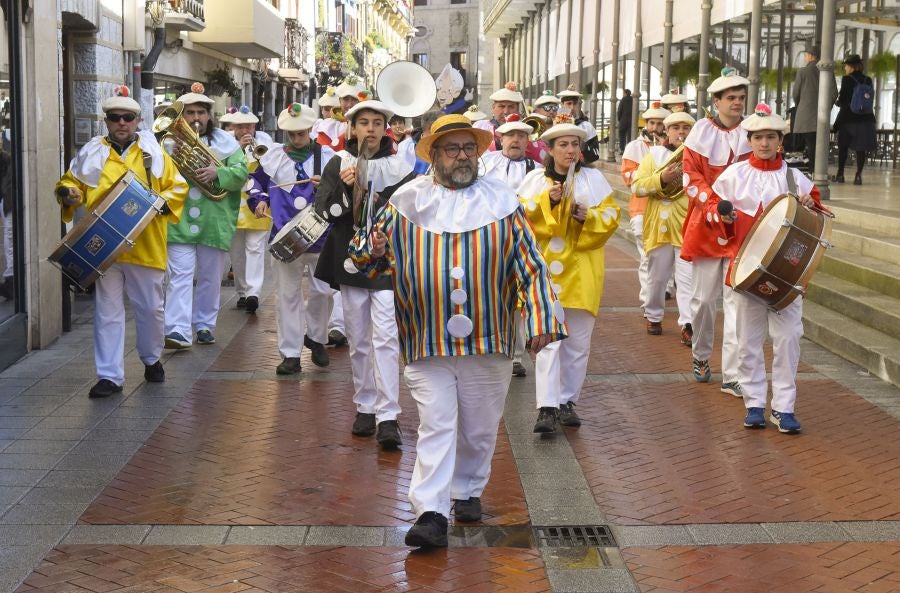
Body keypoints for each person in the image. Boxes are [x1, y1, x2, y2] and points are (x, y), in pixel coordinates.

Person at [349, 113, 566, 548]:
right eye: (453, 149)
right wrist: (369, 248)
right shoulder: (406, 201)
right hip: (426, 337)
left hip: (489, 338)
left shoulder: (503, 202)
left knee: (481, 427)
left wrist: (543, 319)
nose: (463, 156)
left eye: (469, 148)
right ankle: (430, 511)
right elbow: (366, 258)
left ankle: (467, 487)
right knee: (436, 422)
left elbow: (532, 265)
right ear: (436, 156)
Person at [55, 86, 187, 398]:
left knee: (151, 308)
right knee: (108, 310)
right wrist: (68, 193)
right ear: (107, 121)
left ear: (138, 120)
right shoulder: (92, 151)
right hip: (103, 245)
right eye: (115, 118)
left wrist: (159, 202)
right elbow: (71, 182)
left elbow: (177, 186)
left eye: (128, 117)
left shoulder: (153, 152)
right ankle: (109, 376)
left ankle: (152, 359)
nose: (122, 122)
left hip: (146, 242)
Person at [712, 104, 825, 433]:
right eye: (758, 137)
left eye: (770, 137)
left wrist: (810, 204)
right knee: (748, 340)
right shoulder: (733, 176)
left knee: (789, 339)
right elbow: (715, 217)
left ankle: (785, 408)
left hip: (787, 276)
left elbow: (816, 207)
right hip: (746, 272)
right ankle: (755, 404)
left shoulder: (793, 176)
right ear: (750, 140)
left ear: (780, 141)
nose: (764, 143)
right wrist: (725, 219)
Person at [314, 97, 414, 450]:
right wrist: (346, 187)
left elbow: (411, 211)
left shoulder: (401, 165)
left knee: (387, 337)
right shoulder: (338, 162)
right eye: (363, 123)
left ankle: (389, 415)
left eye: (376, 123)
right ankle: (365, 406)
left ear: (384, 128)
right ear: (352, 128)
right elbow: (325, 210)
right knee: (359, 338)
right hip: (350, 262)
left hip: (387, 261)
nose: (370, 129)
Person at [518, 114, 620, 434]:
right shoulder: (535, 182)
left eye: (575, 144)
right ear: (549, 149)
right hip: (545, 270)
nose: (570, 150)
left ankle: (566, 401)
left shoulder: (594, 180)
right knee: (548, 340)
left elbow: (611, 217)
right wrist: (545, 202)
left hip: (583, 269)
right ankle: (546, 407)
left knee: (577, 343)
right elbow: (518, 217)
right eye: (563, 144)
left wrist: (587, 216)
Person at [247, 102, 336, 373]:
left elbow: (344, 188)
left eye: (301, 133)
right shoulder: (272, 156)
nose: (296, 139)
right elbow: (254, 183)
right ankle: (290, 354)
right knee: (287, 296)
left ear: (310, 129)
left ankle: (317, 337)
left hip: (321, 236)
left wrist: (329, 184)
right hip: (284, 235)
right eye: (291, 134)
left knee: (325, 292)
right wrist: (259, 201)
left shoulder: (328, 156)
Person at [680, 68, 751, 396]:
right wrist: (715, 206)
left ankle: (733, 374)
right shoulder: (700, 132)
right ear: (717, 101)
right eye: (731, 98)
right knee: (704, 301)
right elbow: (690, 178)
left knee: (737, 302)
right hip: (707, 227)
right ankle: (700, 354)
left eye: (740, 97)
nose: (737, 103)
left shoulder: (752, 132)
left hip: (740, 230)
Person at [163, 83, 248, 349]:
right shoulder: (168, 143)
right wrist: (173, 161)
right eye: (190, 113)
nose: (196, 118)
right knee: (180, 275)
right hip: (180, 219)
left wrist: (217, 174)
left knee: (211, 276)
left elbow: (241, 174)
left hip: (214, 220)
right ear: (181, 116)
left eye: (201, 112)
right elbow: (156, 176)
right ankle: (177, 329)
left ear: (209, 115)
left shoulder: (226, 143)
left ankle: (204, 325)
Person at [480, 114, 545, 378]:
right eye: (510, 135)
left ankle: (516, 355)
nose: (516, 140)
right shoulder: (486, 163)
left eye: (521, 135)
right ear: (501, 138)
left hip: (521, 238)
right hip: (490, 236)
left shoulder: (538, 169)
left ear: (528, 140)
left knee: (518, 298)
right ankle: (489, 346)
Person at [630, 111, 695, 344]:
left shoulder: (696, 156)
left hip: (687, 225)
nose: (681, 132)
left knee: (688, 279)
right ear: (667, 131)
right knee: (657, 277)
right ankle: (654, 314)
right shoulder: (654, 154)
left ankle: (688, 324)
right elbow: (637, 187)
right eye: (676, 127)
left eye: (686, 128)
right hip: (658, 225)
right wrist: (661, 180)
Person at [621, 103, 671, 314]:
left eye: (660, 124)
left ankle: (664, 290)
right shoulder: (634, 146)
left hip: (668, 210)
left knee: (667, 256)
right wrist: (653, 176)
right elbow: (628, 178)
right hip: (642, 210)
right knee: (647, 256)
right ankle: (647, 298)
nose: (654, 127)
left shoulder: (673, 148)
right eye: (651, 123)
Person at [229, 105, 274, 314]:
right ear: (233, 126)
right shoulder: (226, 142)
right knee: (237, 253)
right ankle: (241, 292)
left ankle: (253, 293)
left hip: (257, 201)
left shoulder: (266, 141)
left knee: (255, 248)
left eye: (248, 125)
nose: (245, 129)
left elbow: (272, 169)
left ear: (255, 125)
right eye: (240, 126)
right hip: (233, 203)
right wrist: (238, 148)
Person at [792, 44, 838, 174]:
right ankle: (820, 171)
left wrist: (801, 106)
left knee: (810, 143)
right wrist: (826, 108)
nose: (805, 58)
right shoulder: (828, 71)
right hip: (822, 117)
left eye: (805, 55)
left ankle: (813, 171)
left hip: (806, 116)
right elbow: (834, 93)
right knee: (821, 145)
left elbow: (796, 93)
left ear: (811, 56)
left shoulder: (803, 72)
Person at [833, 54, 877, 185]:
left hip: (849, 119)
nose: (845, 68)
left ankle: (840, 174)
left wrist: (837, 121)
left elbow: (843, 101)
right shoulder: (867, 80)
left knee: (843, 147)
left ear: (851, 66)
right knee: (861, 149)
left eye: (845, 65)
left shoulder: (847, 80)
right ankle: (858, 175)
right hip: (866, 119)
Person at [472, 81, 523, 150]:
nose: (506, 112)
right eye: (501, 106)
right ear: (493, 108)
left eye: (511, 107)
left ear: (517, 110)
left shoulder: (524, 130)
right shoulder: (480, 126)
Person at [557, 85, 601, 164]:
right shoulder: (554, 126)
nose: (572, 107)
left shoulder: (587, 126)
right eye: (569, 104)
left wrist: (582, 145)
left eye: (575, 104)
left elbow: (595, 154)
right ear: (562, 104)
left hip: (581, 169)